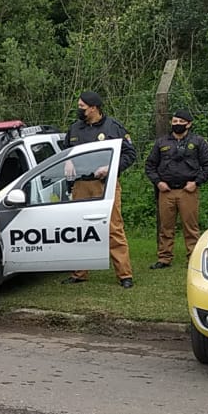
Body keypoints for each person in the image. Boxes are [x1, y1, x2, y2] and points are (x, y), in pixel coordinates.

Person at [60, 91, 136, 288]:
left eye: (82, 107)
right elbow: (66, 150)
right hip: (80, 185)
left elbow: (130, 154)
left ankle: (124, 275)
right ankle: (79, 273)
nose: (79, 110)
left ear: (94, 108)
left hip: (105, 185)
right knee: (79, 230)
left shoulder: (113, 127)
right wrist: (67, 160)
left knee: (113, 229)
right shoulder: (74, 128)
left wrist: (111, 167)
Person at [144, 109, 208, 269]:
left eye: (181, 122)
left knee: (191, 228)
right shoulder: (162, 142)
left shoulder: (198, 142)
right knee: (165, 227)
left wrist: (196, 183)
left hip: (187, 191)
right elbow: (150, 165)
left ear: (189, 124)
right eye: (174, 122)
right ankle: (164, 258)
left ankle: (193, 259)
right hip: (166, 191)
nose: (177, 125)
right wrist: (158, 182)